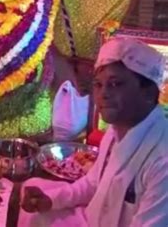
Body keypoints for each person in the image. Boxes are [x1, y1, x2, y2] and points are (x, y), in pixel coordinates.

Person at [19, 37, 168, 227]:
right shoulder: (116, 131)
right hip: (90, 218)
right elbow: (93, 184)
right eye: (98, 84)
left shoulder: (162, 162)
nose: (103, 93)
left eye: (115, 84)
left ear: (148, 92)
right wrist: (50, 200)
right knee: (31, 193)